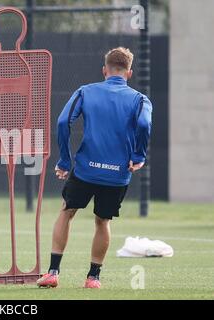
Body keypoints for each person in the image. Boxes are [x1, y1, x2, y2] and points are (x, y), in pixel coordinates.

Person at [37, 47, 152, 289]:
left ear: (104, 70)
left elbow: (62, 122)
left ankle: (53, 272)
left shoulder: (85, 92)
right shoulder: (140, 100)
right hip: (117, 174)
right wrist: (138, 155)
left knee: (67, 212)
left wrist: (65, 160)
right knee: (103, 221)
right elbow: (144, 123)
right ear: (129, 73)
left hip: (86, 169)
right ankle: (93, 278)